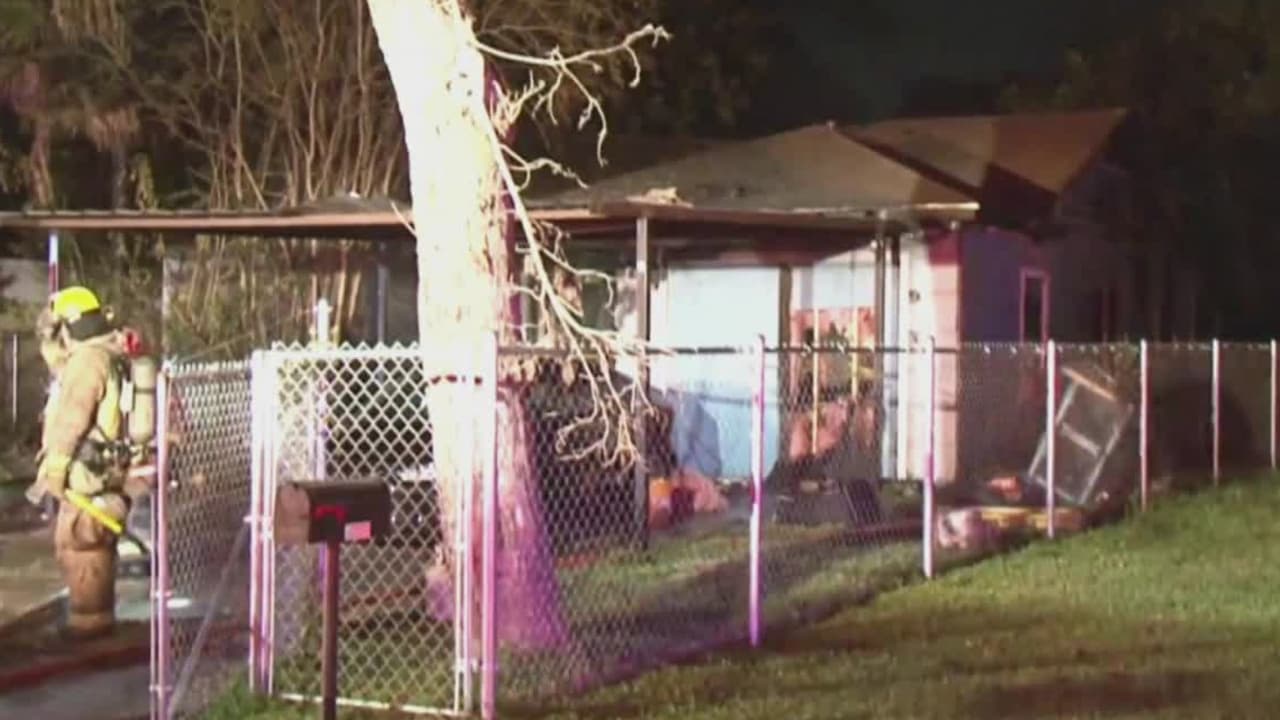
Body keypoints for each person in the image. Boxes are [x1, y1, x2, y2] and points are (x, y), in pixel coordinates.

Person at [26, 286, 133, 640]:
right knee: (92, 545)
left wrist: (56, 468)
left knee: (80, 545)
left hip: (85, 474)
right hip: (101, 472)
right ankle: (95, 622)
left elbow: (73, 417)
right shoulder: (105, 354)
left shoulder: (88, 362)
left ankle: (89, 628)